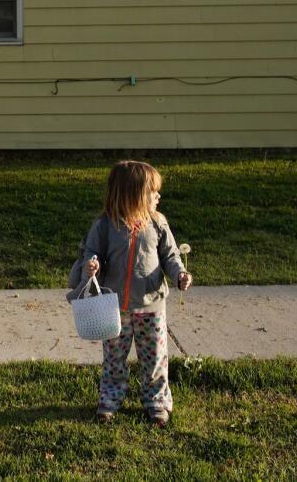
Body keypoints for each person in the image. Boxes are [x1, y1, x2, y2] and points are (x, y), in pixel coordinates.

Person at [68, 160, 193, 426]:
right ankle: (110, 400)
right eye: (152, 191)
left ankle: (157, 402)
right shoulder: (105, 226)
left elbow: (170, 255)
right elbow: (92, 251)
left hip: (151, 306)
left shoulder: (158, 224)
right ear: (132, 194)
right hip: (114, 308)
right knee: (114, 359)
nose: (157, 196)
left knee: (155, 359)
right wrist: (92, 264)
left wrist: (180, 273)